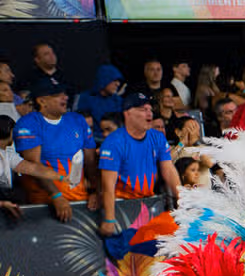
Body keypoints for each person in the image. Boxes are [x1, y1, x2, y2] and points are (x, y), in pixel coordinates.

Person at [96, 91, 180, 239]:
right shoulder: (114, 142)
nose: (149, 113)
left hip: (149, 203)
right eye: (143, 109)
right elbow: (108, 185)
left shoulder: (157, 137)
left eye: (150, 109)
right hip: (122, 206)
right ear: (127, 114)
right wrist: (109, 219)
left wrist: (184, 201)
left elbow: (169, 171)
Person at [11, 80, 94, 219]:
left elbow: (90, 161)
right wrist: (56, 195)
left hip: (81, 201)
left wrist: (95, 191)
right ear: (42, 101)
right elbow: (33, 165)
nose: (65, 97)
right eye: (57, 95)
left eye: (65, 94)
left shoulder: (77, 120)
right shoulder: (28, 123)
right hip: (45, 205)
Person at [77, 65, 127, 139]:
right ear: (104, 79)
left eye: (119, 81)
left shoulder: (118, 101)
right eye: (114, 80)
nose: (118, 84)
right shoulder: (86, 99)